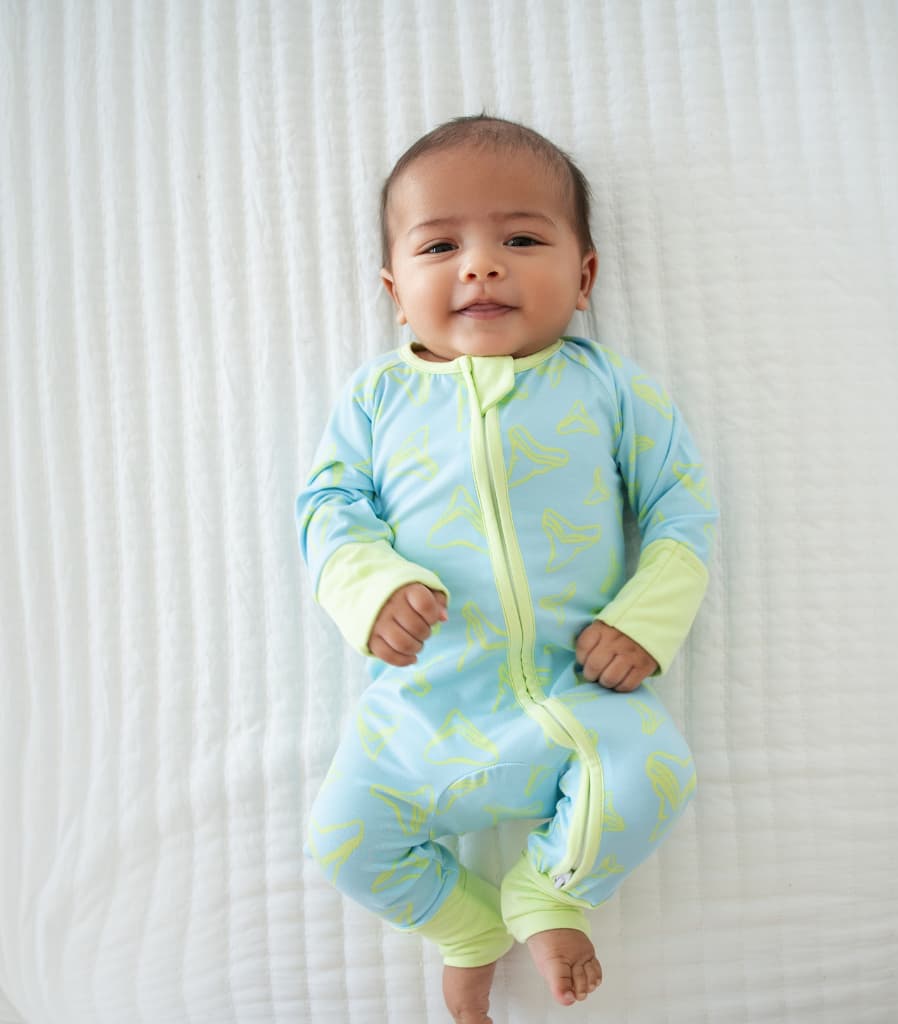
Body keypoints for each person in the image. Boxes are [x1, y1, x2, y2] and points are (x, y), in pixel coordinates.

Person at [296, 114, 718, 1024]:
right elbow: (328, 510)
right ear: (395, 292)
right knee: (341, 840)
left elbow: (680, 509)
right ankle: (469, 927)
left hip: (577, 696)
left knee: (658, 774)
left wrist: (646, 619)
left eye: (521, 240)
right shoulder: (378, 397)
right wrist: (371, 588)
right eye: (440, 246)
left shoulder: (610, 388)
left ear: (585, 277)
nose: (481, 266)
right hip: (421, 712)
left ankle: (547, 892)